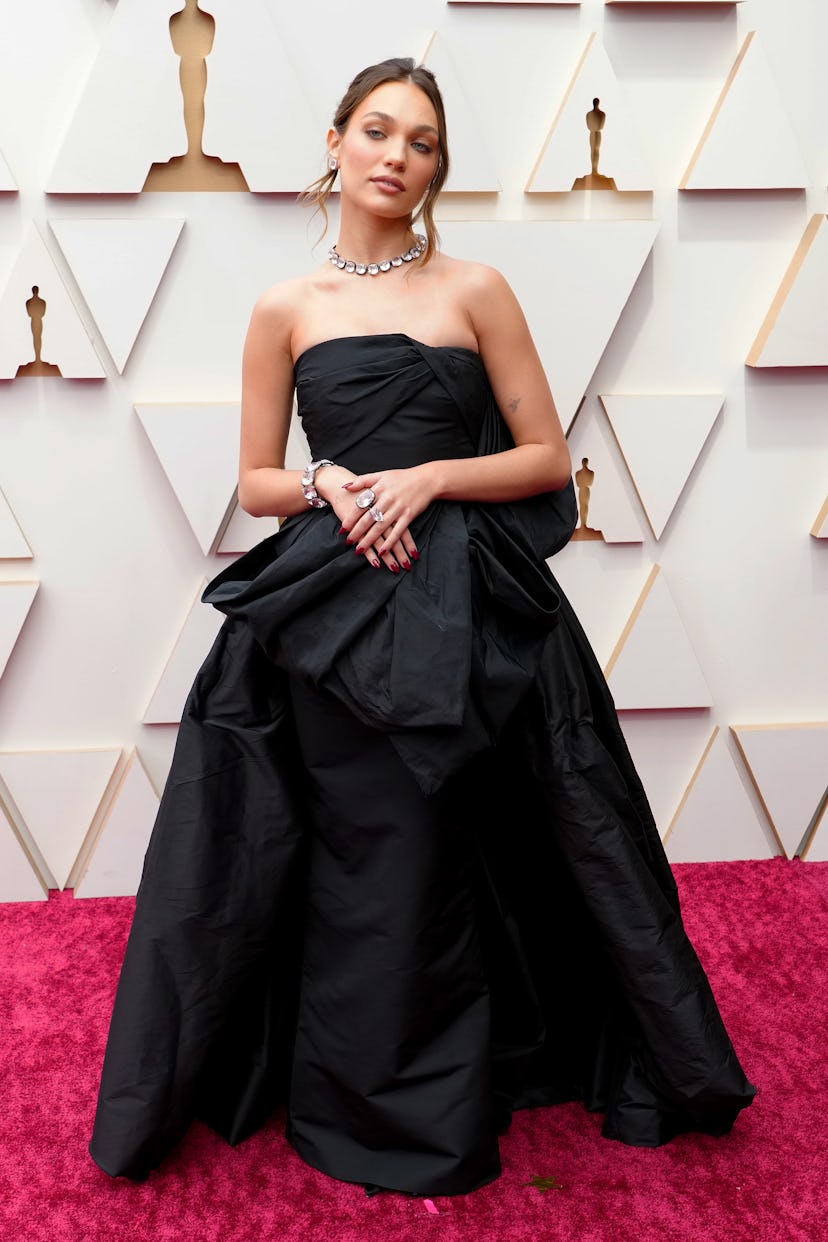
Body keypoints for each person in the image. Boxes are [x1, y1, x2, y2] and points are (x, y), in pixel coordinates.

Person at [89, 57, 755, 1198]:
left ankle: (467, 1071)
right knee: (347, 845)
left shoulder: (477, 289)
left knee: (470, 841)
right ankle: (348, 1083)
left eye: (425, 143)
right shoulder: (286, 309)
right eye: (380, 131)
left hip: (471, 607)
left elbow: (546, 457)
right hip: (330, 608)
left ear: (438, 169)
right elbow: (257, 480)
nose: (399, 156)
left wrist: (433, 477)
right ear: (338, 143)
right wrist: (334, 486)